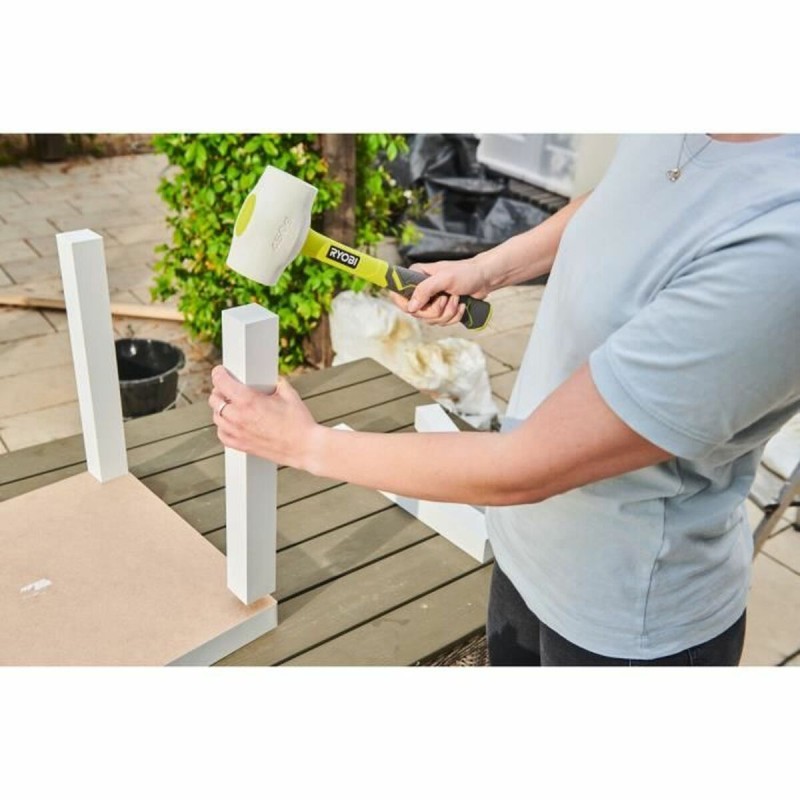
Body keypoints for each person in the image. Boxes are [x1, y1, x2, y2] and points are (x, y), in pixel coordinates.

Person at [209, 133, 800, 666]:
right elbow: (614, 202)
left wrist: (304, 445)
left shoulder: (780, 244)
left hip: (625, 620)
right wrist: (486, 270)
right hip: (525, 553)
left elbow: (526, 466)